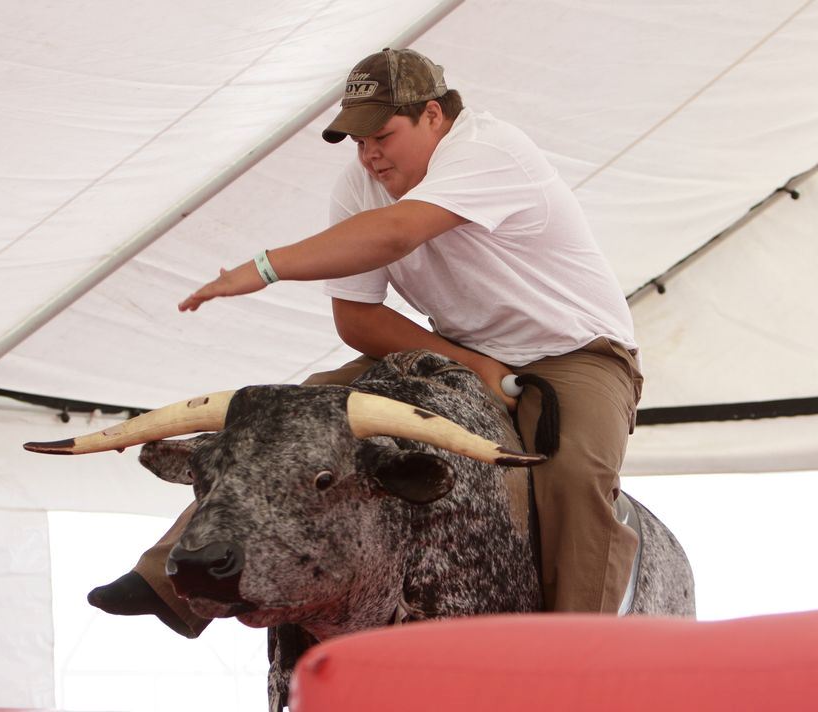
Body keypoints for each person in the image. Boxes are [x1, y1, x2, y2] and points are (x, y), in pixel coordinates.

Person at [88, 48, 643, 636]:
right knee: (289, 420)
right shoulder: (359, 185)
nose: (370, 154)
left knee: (575, 474)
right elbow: (356, 320)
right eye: (358, 141)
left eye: (382, 134)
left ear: (434, 116)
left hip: (575, 355)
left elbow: (398, 232)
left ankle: (578, 654)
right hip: (453, 350)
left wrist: (266, 267)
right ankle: (169, 580)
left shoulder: (491, 149)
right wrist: (470, 362)